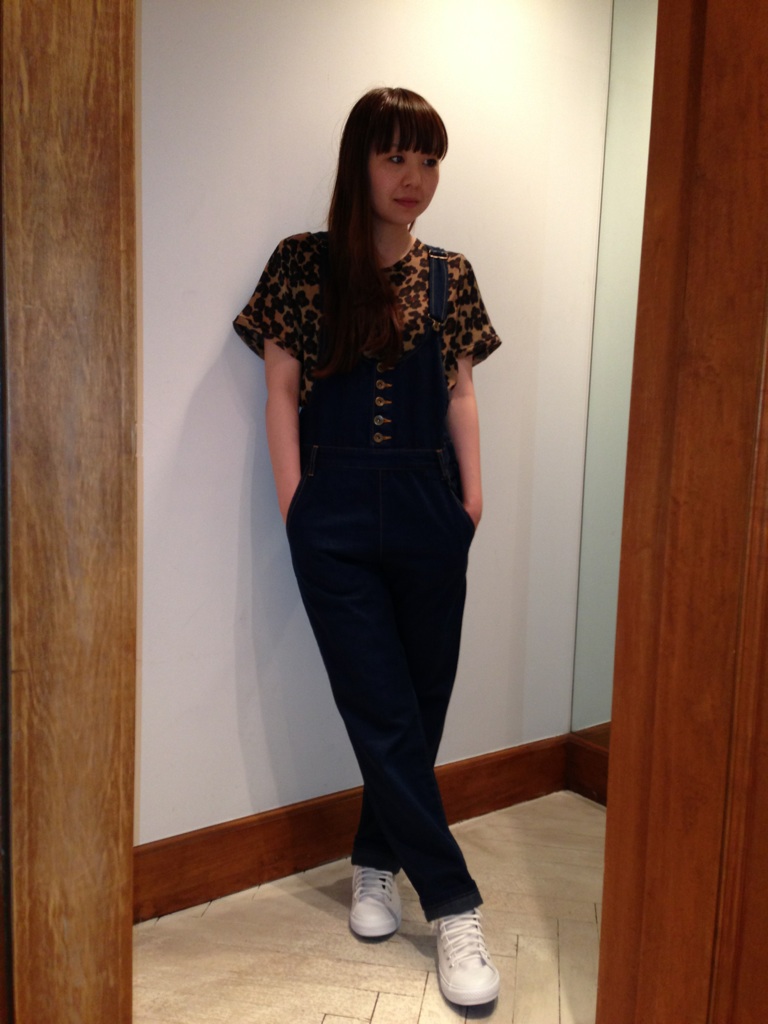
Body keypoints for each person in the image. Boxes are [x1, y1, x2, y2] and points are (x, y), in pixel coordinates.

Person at [234, 86, 502, 1007]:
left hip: (431, 508)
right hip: (335, 514)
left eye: (429, 160)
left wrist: (471, 499)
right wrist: (296, 506)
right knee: (378, 707)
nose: (414, 177)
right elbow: (279, 390)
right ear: (360, 163)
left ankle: (374, 862)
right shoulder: (302, 264)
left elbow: (461, 391)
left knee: (420, 704)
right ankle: (455, 903)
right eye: (395, 157)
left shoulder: (452, 275)